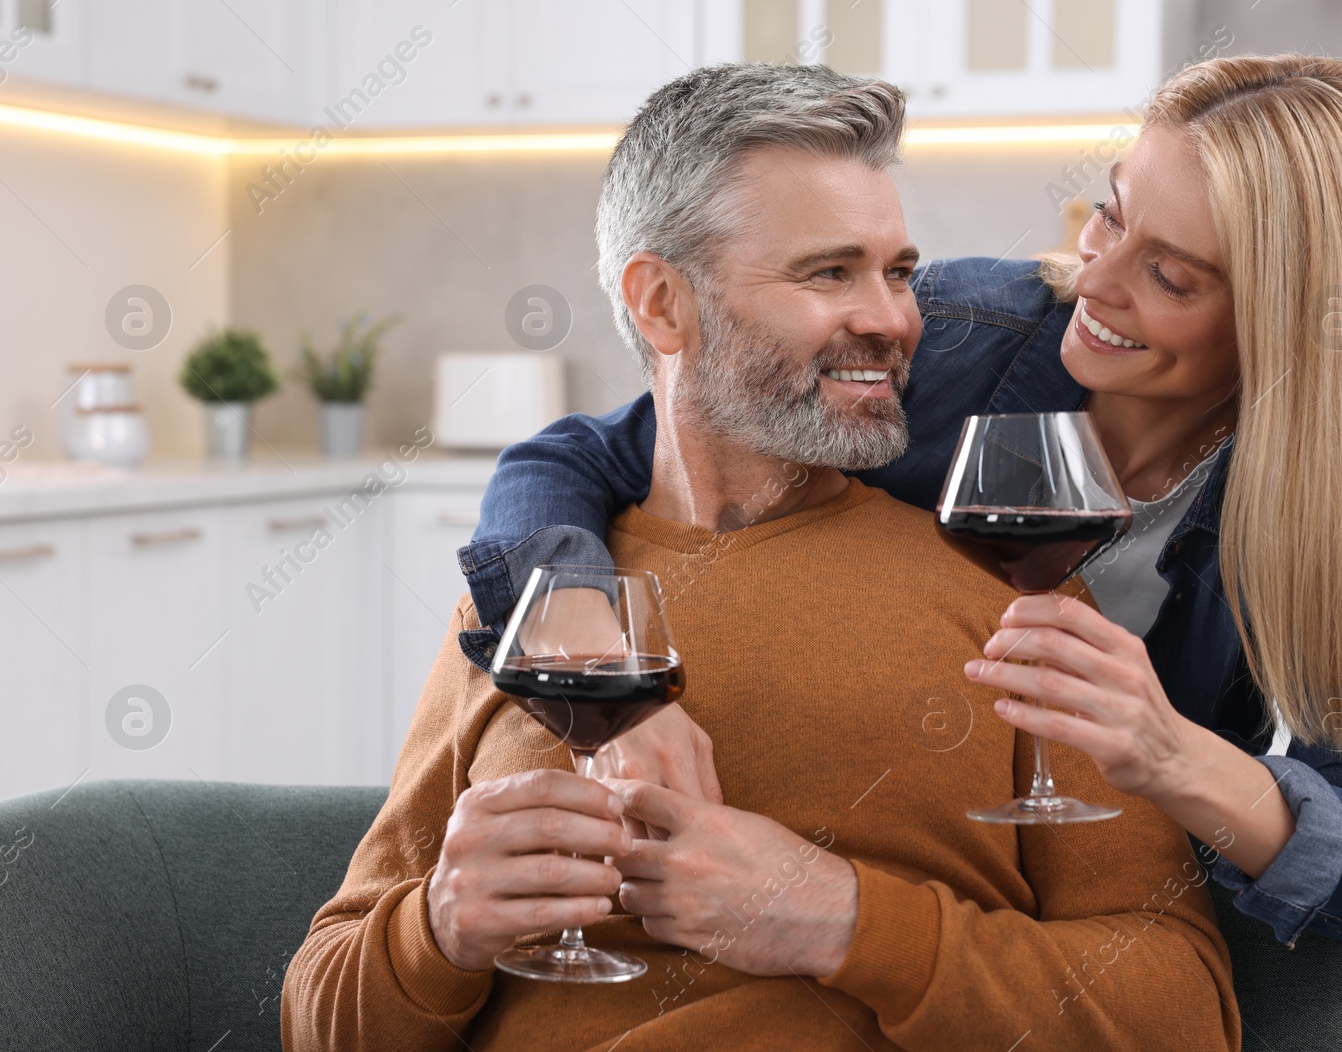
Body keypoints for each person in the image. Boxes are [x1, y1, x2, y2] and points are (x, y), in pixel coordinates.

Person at [283, 64, 1240, 1052]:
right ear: (661, 304)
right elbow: (322, 1020)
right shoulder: (535, 611)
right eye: (829, 273)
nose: (893, 318)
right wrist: (435, 928)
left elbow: (1182, 1016)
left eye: (899, 271)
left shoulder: (1011, 600)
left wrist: (848, 922)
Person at [459, 54, 1342, 954]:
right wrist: (587, 639)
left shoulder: (1324, 507)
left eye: (1166, 274)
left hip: (1059, 918)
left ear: (1292, 328)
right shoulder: (952, 336)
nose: (1094, 281)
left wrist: (1173, 754)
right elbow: (577, 452)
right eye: (1109, 215)